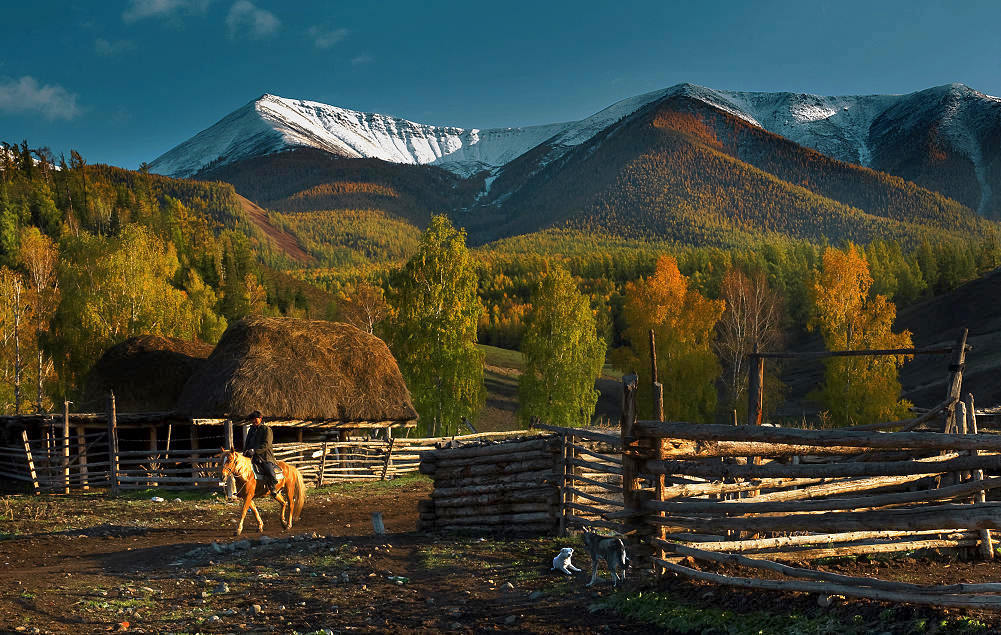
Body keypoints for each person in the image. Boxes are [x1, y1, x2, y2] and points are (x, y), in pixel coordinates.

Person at [243, 410, 284, 501]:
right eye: (252, 420)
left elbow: (267, 444)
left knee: (269, 470)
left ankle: (272, 487)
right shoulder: (251, 430)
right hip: (252, 456)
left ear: (260, 419)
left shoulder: (266, 429)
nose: (253, 421)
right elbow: (247, 442)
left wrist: (255, 451)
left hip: (265, 456)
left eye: (255, 419)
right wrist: (245, 452)